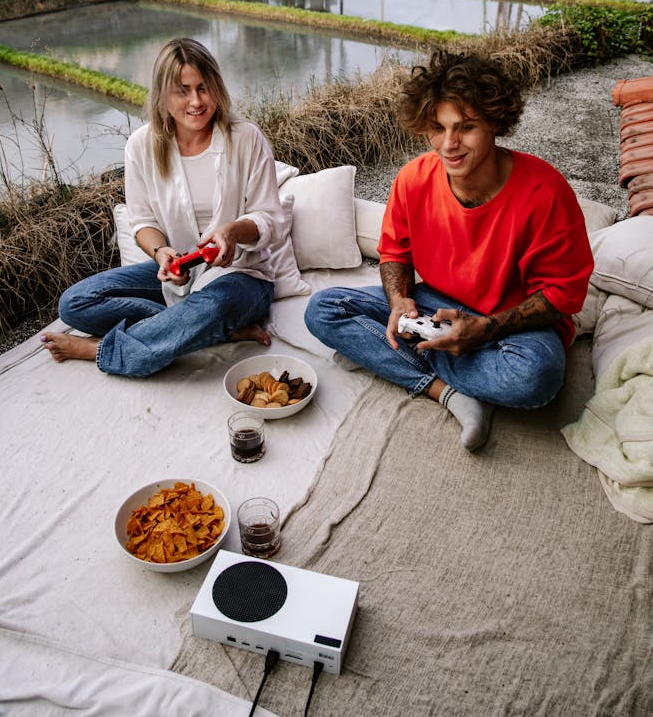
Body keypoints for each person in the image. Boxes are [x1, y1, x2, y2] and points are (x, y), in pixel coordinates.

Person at [304, 48, 594, 452]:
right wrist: (399, 300)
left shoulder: (545, 192)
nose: (449, 144)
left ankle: (400, 357)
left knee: (537, 379)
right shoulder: (412, 180)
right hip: (435, 305)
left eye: (466, 127)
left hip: (512, 327)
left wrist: (482, 330)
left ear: (496, 122)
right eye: (438, 128)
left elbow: (563, 297)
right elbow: (394, 254)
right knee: (323, 310)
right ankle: (448, 392)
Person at [41, 37, 283, 377]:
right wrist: (161, 253)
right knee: (76, 303)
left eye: (203, 87)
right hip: (182, 270)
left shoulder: (246, 138)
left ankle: (103, 349)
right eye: (182, 90)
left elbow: (269, 218)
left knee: (216, 303)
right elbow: (142, 222)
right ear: (163, 95)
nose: (196, 101)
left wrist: (232, 231)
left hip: (242, 275)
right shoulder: (141, 146)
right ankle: (208, 331)